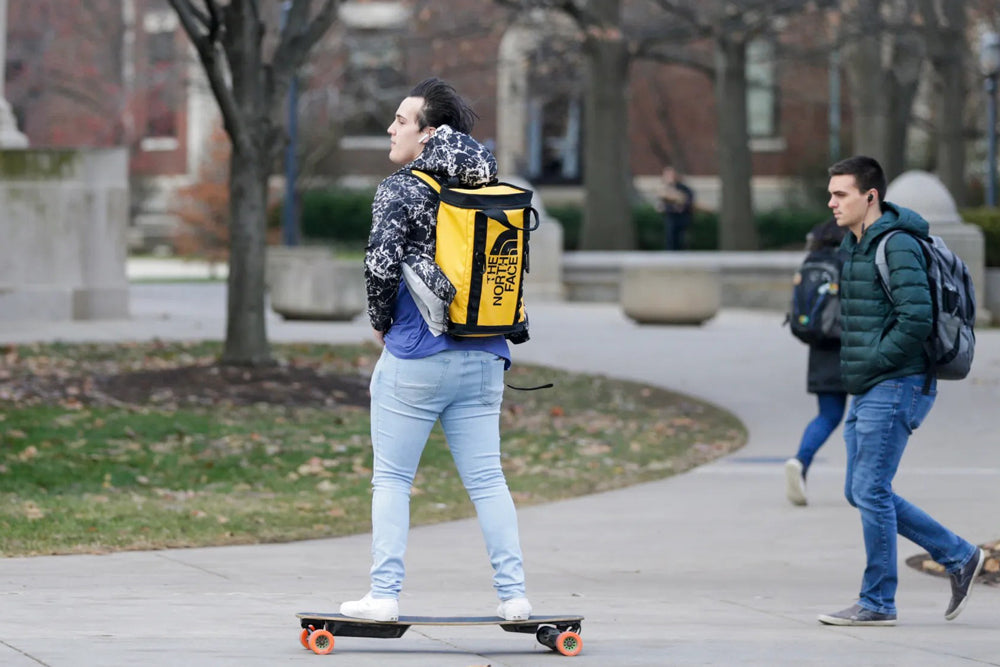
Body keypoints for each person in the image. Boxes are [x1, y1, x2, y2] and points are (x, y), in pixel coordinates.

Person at [339, 78, 532, 623]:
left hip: (417, 355)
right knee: (488, 480)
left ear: (428, 134)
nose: (391, 128)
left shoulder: (402, 188)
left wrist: (381, 323)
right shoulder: (487, 183)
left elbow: (380, 264)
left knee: (392, 479)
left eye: (402, 120)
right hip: (486, 351)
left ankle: (383, 595)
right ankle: (515, 596)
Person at [817, 155, 985, 627]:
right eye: (830, 194)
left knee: (870, 489)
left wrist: (875, 360)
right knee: (860, 490)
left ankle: (877, 602)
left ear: (870, 196)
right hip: (871, 385)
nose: (831, 203)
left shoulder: (897, 245)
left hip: (896, 383)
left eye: (841, 194)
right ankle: (960, 555)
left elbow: (917, 319)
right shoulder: (857, 246)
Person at [785, 218, 847, 506]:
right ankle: (864, 483)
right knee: (865, 417)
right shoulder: (850, 261)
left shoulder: (811, 262)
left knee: (828, 415)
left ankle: (800, 461)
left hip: (820, 349)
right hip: (853, 348)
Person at [657, 165, 695, 250]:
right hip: (670, 218)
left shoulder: (684, 189)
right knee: (670, 241)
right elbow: (662, 205)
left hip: (682, 219)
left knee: (682, 241)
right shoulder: (665, 189)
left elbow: (687, 201)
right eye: (666, 175)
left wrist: (677, 200)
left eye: (670, 175)